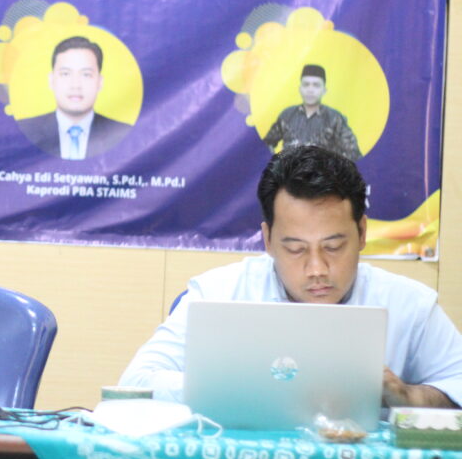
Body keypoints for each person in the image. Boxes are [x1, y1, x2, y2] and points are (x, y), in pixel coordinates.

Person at [120, 145, 462, 408]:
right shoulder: (217, 293)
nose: (317, 269)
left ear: (361, 232)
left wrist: (406, 396)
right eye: (296, 249)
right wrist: (234, 386)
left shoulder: (410, 306)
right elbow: (135, 382)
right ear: (268, 240)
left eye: (333, 246)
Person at [17, 36, 131, 160]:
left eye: (86, 74)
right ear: (51, 80)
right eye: (65, 74)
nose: (75, 85)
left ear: (100, 82)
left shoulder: (123, 133)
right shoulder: (24, 131)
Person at [263, 64, 361, 161]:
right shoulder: (287, 115)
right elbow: (265, 146)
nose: (310, 90)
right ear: (300, 89)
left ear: (324, 90)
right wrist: (280, 160)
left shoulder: (335, 118)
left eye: (316, 85)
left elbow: (354, 154)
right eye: (306, 85)